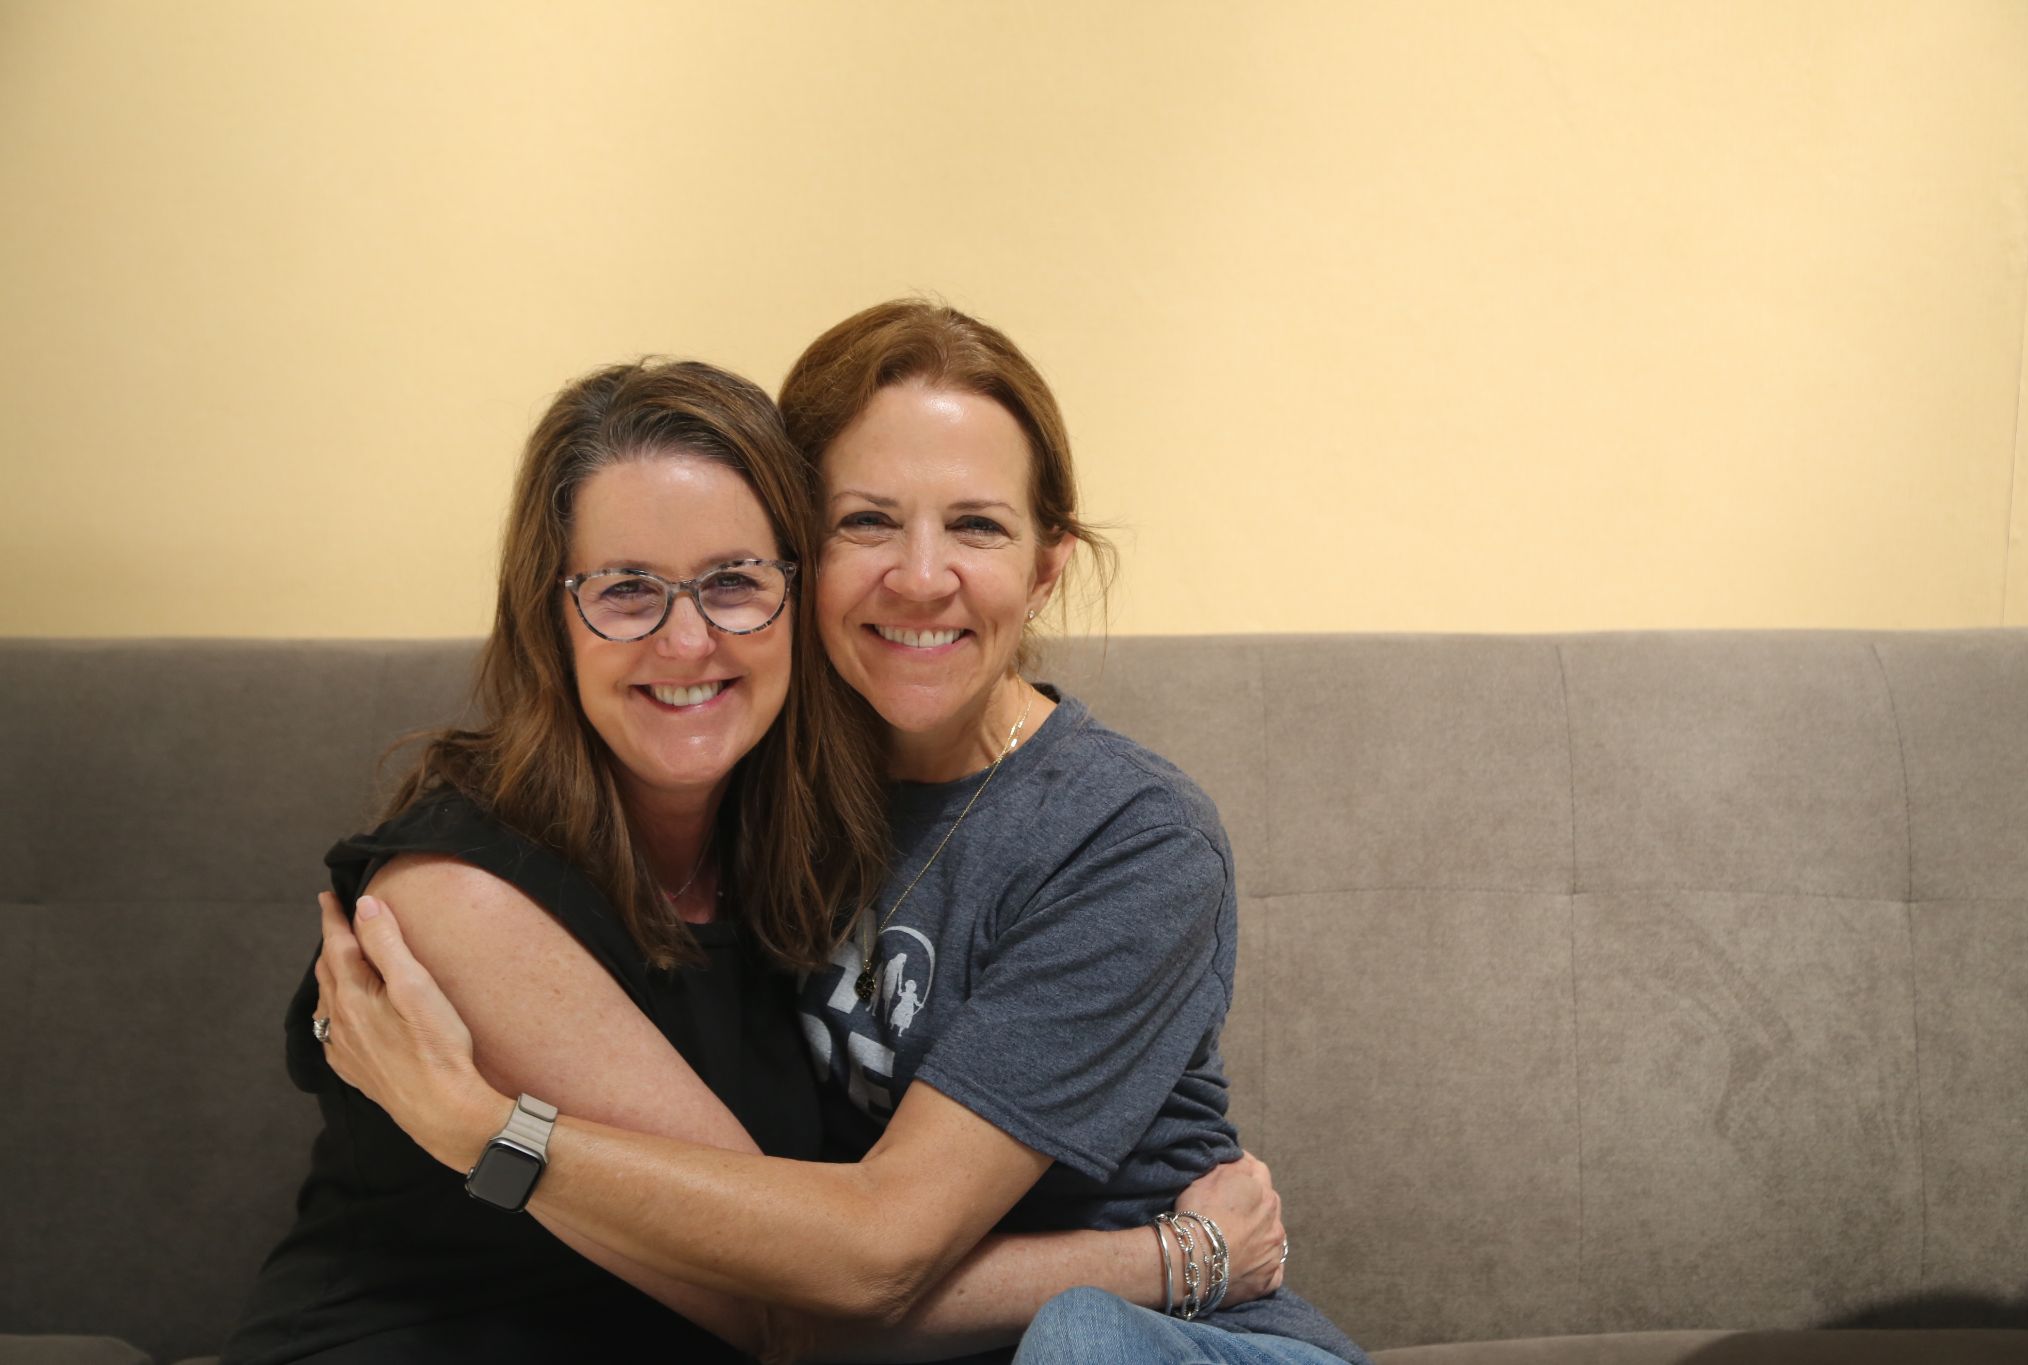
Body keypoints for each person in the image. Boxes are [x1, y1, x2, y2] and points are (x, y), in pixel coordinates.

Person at [312, 303, 1369, 1363]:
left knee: (1076, 1341)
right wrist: (1173, 1250)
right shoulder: (774, 790)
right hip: (963, 1326)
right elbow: (809, 1290)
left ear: (1046, 567)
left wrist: (1176, 1268)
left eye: (977, 525)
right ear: (801, 562)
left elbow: (871, 1259)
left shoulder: (1128, 835)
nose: (918, 576)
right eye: (866, 521)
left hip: (1168, 1345)